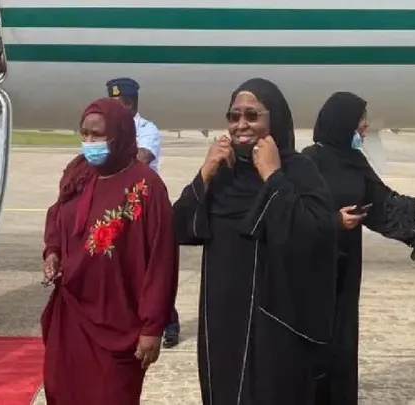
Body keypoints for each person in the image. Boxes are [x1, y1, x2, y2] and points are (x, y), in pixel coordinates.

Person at [172, 78, 338, 405]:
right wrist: (205, 172)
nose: (241, 124)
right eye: (234, 116)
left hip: (275, 322)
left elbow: (317, 234)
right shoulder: (223, 173)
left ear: (274, 119)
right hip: (223, 320)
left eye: (252, 115)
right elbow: (178, 228)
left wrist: (273, 176)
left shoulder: (298, 169)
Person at [302, 92, 415, 405]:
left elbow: (384, 203)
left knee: (342, 339)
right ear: (341, 122)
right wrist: (332, 221)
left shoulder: (355, 161)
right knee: (314, 339)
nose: (364, 126)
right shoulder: (307, 162)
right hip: (313, 266)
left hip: (346, 265)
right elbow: (293, 213)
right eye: (360, 119)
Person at [41, 97, 179, 405]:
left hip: (120, 321)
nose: (89, 142)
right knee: (62, 389)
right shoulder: (78, 172)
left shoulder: (146, 186)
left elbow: (161, 261)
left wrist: (153, 327)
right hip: (72, 311)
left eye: (97, 135)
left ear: (119, 134)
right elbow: (57, 215)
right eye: (84, 133)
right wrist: (52, 251)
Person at [106, 77, 181, 348]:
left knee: (154, 266)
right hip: (115, 203)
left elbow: (143, 158)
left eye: (118, 104)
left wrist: (112, 158)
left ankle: (168, 322)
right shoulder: (107, 129)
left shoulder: (146, 129)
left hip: (143, 203)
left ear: (130, 104)